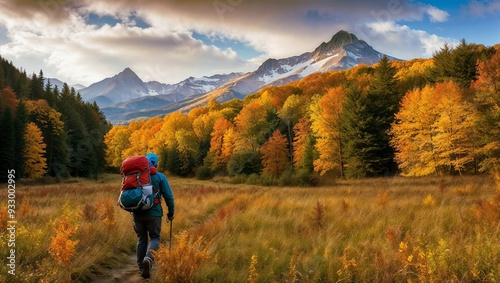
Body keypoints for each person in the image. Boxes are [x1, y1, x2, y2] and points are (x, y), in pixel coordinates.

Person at [133, 152, 175, 279]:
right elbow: (168, 196)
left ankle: (141, 268)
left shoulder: (136, 176)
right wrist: (171, 212)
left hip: (137, 213)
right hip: (154, 214)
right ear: (156, 164)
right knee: (155, 237)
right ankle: (148, 258)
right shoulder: (160, 177)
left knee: (141, 239)